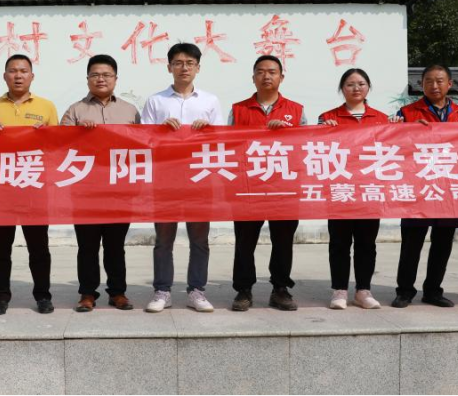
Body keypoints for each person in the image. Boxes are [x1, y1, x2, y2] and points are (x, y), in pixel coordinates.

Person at [139, 42, 221, 313]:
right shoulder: (156, 101)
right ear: (169, 67)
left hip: (200, 179)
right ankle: (162, 291)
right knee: (164, 240)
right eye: (178, 63)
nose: (184, 68)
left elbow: (222, 140)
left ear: (198, 68)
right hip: (165, 180)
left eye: (189, 63)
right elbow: (143, 140)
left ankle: (197, 291)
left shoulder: (210, 101)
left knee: (199, 240)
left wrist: (208, 130)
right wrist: (160, 130)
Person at [0, 54, 58, 315]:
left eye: (23, 71)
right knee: (0, 247)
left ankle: (43, 296)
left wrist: (45, 136)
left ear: (32, 76)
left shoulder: (46, 106)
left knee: (39, 247)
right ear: (5, 76)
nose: (18, 75)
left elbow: (57, 147)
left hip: (34, 185)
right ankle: (1, 296)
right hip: (0, 188)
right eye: (13, 71)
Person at [60, 54, 140, 312]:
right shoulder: (75, 110)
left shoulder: (130, 111)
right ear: (87, 79)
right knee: (87, 246)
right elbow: (59, 146)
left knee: (116, 246)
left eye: (106, 74)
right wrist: (78, 133)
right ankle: (87, 293)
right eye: (95, 74)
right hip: (86, 190)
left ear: (116, 78)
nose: (101, 79)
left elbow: (143, 147)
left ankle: (118, 292)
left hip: (120, 190)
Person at [228, 55, 306, 312]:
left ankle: (280, 289)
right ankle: (243, 289)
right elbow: (229, 146)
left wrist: (288, 133)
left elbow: (306, 146)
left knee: (283, 240)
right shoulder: (238, 110)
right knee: (245, 241)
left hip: (284, 187)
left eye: (272, 71)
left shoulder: (297, 110)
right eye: (260, 71)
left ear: (281, 77)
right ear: (253, 77)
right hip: (248, 187)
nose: (266, 76)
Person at [390, 65, 458, 309]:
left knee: (443, 243)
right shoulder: (407, 112)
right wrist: (404, 130)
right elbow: (394, 146)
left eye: (439, 80)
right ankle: (404, 291)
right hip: (418, 188)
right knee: (411, 242)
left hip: (450, 188)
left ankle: (433, 291)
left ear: (450, 84)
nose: (434, 86)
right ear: (421, 84)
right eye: (428, 81)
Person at [319, 68, 388, 310]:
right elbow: (316, 150)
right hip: (340, 190)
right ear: (342, 89)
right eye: (350, 84)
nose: (356, 88)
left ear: (368, 87)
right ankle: (339, 290)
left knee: (366, 243)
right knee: (339, 242)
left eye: (361, 83)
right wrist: (323, 130)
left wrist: (399, 127)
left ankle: (363, 290)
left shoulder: (382, 119)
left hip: (370, 190)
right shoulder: (328, 117)